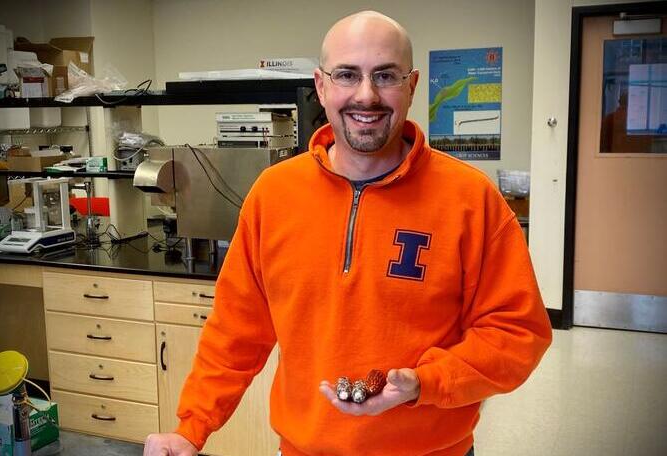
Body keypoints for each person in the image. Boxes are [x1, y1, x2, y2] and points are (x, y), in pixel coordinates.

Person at [144, 10, 552, 456]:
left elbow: (517, 334)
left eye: (386, 76)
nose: (367, 95)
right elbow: (233, 333)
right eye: (346, 75)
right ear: (321, 86)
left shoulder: (471, 199)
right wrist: (191, 428)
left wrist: (424, 383)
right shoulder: (274, 196)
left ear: (412, 85)